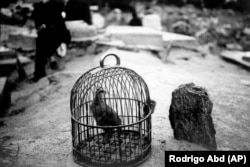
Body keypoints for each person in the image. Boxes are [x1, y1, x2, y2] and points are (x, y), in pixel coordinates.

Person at [32, 0, 71, 82]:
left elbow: (60, 25)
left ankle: (43, 70)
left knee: (43, 51)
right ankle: (42, 71)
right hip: (48, 35)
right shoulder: (41, 8)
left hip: (52, 35)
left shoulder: (51, 7)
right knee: (42, 51)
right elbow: (39, 26)